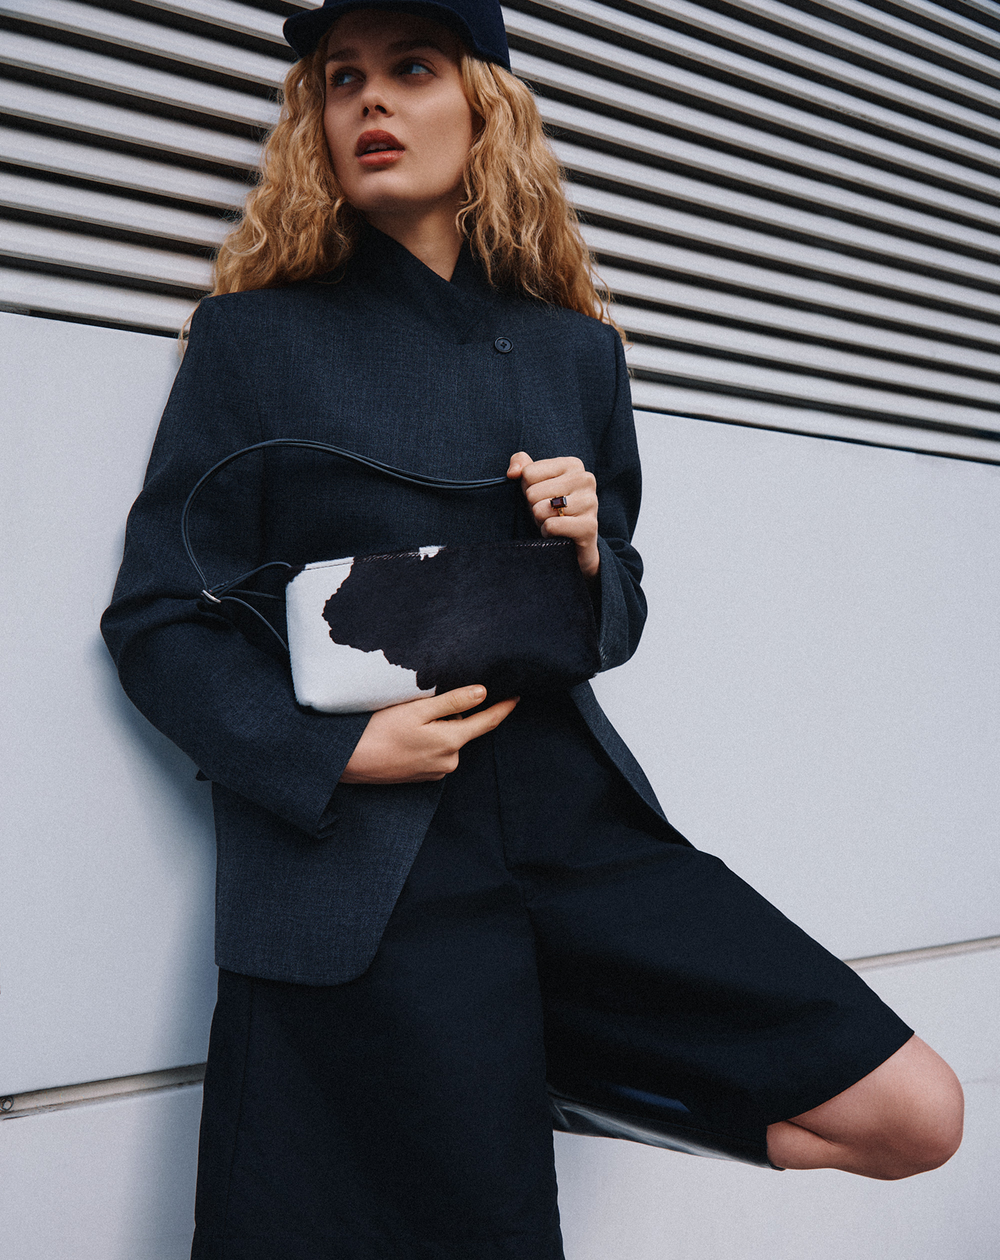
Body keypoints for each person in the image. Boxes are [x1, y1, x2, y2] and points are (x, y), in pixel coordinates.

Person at [101, 1, 963, 1255]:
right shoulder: (255, 341)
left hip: (573, 827)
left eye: (411, 68)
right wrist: (335, 754)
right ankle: (507, 1071)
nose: (369, 101)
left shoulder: (581, 356)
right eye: (341, 78)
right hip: (373, 857)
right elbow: (158, 617)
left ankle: (556, 1076)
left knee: (915, 1112)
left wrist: (590, 554)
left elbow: (616, 619)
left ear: (487, 104)